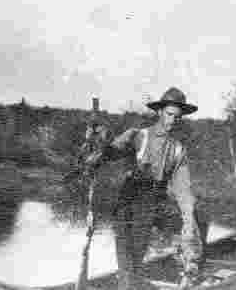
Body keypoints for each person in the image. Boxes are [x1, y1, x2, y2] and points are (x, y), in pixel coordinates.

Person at [82, 87, 208, 290]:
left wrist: (188, 217)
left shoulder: (178, 150)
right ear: (159, 112)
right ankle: (128, 282)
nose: (173, 120)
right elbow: (110, 153)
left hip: (153, 203)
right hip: (128, 201)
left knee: (199, 218)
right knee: (128, 259)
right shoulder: (138, 136)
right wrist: (100, 140)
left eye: (177, 117)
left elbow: (183, 188)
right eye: (169, 114)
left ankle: (189, 273)